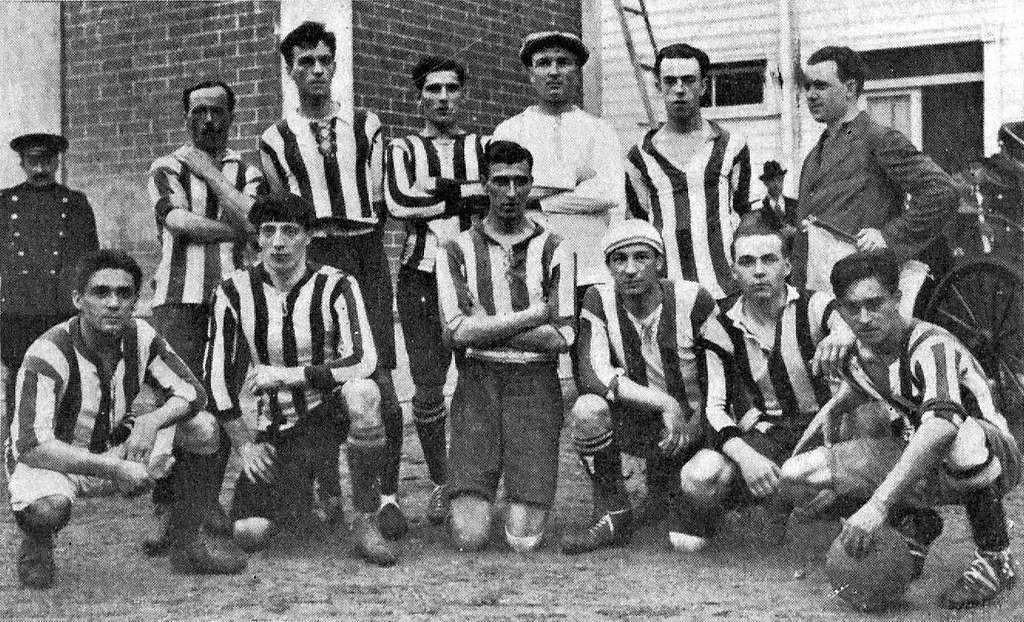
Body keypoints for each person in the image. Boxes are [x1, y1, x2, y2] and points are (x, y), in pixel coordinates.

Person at [779, 249, 1022, 609]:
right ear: (841, 310)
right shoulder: (854, 354)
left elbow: (940, 426)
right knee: (797, 472)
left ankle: (995, 557)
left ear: (898, 298)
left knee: (953, 434)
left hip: (992, 457)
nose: (864, 318)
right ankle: (917, 521)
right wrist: (806, 468)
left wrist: (876, 505)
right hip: (922, 460)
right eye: (852, 308)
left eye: (875, 304)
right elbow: (847, 399)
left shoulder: (930, 344)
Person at [7, 250, 246, 589]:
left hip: (115, 445)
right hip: (56, 459)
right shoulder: (47, 353)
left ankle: (186, 542)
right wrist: (115, 470)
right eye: (100, 292)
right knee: (48, 509)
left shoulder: (141, 335)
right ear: (78, 299)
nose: (113, 303)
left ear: (136, 300)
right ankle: (37, 545)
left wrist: (152, 422)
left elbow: (194, 393)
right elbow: (32, 446)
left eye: (124, 293)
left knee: (203, 428)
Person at [259, 21, 404, 538]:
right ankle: (326, 491)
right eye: (305, 62)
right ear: (291, 69)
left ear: (335, 63)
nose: (317, 70)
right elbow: (280, 208)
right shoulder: (274, 138)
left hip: (363, 250)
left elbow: (385, 198)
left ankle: (385, 495)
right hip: (313, 251)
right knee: (315, 367)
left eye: (324, 60)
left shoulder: (368, 124)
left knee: (378, 371)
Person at [204, 192, 397, 566]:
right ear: (256, 237)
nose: (278, 242)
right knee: (250, 533)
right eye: (268, 231)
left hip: (331, 411)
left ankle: (365, 518)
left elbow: (364, 358)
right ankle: (309, 494)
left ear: (309, 236)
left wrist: (287, 376)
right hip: (280, 425)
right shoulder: (231, 291)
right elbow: (215, 377)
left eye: (290, 231)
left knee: (364, 393)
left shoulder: (337, 283)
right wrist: (244, 444)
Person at [670, 217, 852, 551]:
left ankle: (825, 506)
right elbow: (714, 408)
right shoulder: (720, 324)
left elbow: (847, 320)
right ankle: (750, 506)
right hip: (767, 434)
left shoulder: (815, 306)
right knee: (699, 479)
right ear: (733, 270)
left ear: (786, 266)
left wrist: (842, 332)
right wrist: (746, 458)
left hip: (827, 431)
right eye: (747, 262)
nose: (758, 271)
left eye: (768, 260)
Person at [562, 219, 733, 554]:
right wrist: (664, 402)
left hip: (697, 424)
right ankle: (614, 511)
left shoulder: (693, 299)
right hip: (643, 419)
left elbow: (724, 372)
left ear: (659, 261)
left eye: (641, 257)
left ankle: (698, 500)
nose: (630, 269)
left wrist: (695, 420)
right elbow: (593, 374)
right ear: (608, 265)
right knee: (587, 409)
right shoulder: (598, 298)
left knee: (686, 542)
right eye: (619, 259)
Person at [435, 140, 574, 553]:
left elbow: (562, 336)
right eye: (500, 182)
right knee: (469, 537)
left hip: (534, 380)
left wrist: (486, 325)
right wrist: (533, 315)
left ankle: (518, 489)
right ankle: (469, 490)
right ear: (485, 185)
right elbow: (457, 333)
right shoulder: (456, 247)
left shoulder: (555, 246)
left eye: (519, 182)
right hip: (478, 379)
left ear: (531, 184)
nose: (511, 193)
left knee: (523, 540)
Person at [144, 79, 265, 553]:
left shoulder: (244, 168)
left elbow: (256, 218)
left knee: (219, 397)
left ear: (231, 117)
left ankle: (208, 499)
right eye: (198, 111)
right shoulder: (165, 166)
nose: (208, 120)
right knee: (177, 400)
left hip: (233, 298)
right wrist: (237, 231)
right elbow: (177, 221)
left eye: (217, 111)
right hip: (178, 298)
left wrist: (213, 177)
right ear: (186, 116)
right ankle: (166, 505)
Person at [385, 55, 489, 525]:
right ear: (419, 96)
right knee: (428, 384)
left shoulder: (483, 144)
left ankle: (472, 478)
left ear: (461, 94)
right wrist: (465, 192)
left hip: (475, 273)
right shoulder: (401, 148)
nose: (443, 98)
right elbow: (399, 202)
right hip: (420, 276)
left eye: (451, 88)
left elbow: (497, 197)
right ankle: (442, 481)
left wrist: (440, 190)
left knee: (476, 378)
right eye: (433, 89)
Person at [794, 45, 957, 305]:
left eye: (820, 86)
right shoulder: (814, 156)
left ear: (849, 89)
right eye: (807, 87)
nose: (810, 95)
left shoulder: (878, 139)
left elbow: (942, 191)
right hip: (822, 298)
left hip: (866, 296)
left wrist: (888, 237)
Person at [492, 31, 625, 303]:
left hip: (589, 269)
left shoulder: (600, 130)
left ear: (577, 72)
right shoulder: (510, 130)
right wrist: (573, 178)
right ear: (530, 73)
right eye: (543, 63)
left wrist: (539, 201)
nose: (554, 71)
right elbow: (502, 192)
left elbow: (608, 193)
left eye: (564, 62)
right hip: (529, 268)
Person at [625, 43, 751, 301]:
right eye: (670, 81)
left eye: (688, 80)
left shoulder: (732, 145)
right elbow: (640, 226)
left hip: (727, 291)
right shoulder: (640, 155)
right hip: (667, 295)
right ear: (658, 86)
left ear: (704, 85)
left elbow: (742, 212)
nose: (679, 90)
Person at [1, 133, 98, 458]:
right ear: (22, 163)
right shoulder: (4, 203)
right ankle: (18, 450)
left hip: (60, 311)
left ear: (57, 162)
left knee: (65, 376)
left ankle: (63, 450)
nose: (40, 168)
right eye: (33, 161)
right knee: (18, 379)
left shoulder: (76, 204)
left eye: (46, 161)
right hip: (17, 310)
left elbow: (89, 261)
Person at [752, 160, 798, 231]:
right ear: (765, 182)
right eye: (772, 180)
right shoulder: (759, 209)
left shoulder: (795, 205)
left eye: (779, 180)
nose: (776, 184)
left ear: (783, 180)